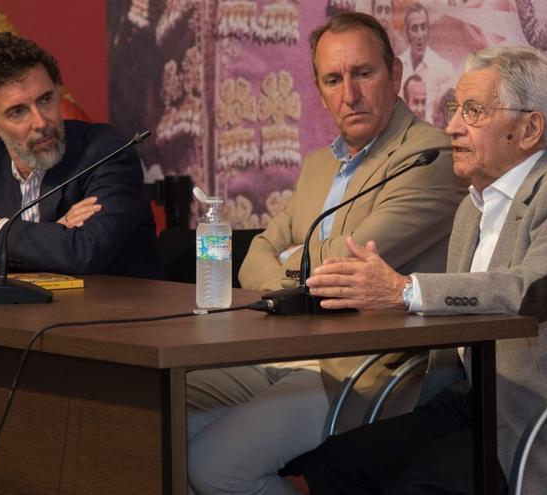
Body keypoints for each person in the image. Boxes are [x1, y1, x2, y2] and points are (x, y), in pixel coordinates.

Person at [282, 45, 547, 494]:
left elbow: (541, 288)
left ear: (528, 128)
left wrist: (405, 289)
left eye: (473, 111)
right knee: (331, 465)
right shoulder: (471, 209)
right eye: (454, 109)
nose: (451, 127)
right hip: (470, 404)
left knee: (408, 486)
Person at [188, 13, 466, 495]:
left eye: (364, 73)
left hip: (367, 370)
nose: (349, 94)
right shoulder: (319, 165)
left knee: (213, 467)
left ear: (395, 75)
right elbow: (256, 254)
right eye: (333, 80)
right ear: (319, 90)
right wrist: (299, 261)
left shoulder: (430, 155)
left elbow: (341, 265)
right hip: (287, 352)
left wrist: (295, 259)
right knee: (160, 424)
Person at [0, 32, 160, 279]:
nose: (41, 121)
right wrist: (44, 240)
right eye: (17, 112)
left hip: (112, 320)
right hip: (19, 320)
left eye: (45, 100)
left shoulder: (105, 152)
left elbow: (85, 251)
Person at [398, 3, 453, 123]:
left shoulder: (443, 68)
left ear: (428, 30)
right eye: (414, 28)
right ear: (406, 32)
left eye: (423, 27)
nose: (420, 35)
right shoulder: (397, 67)